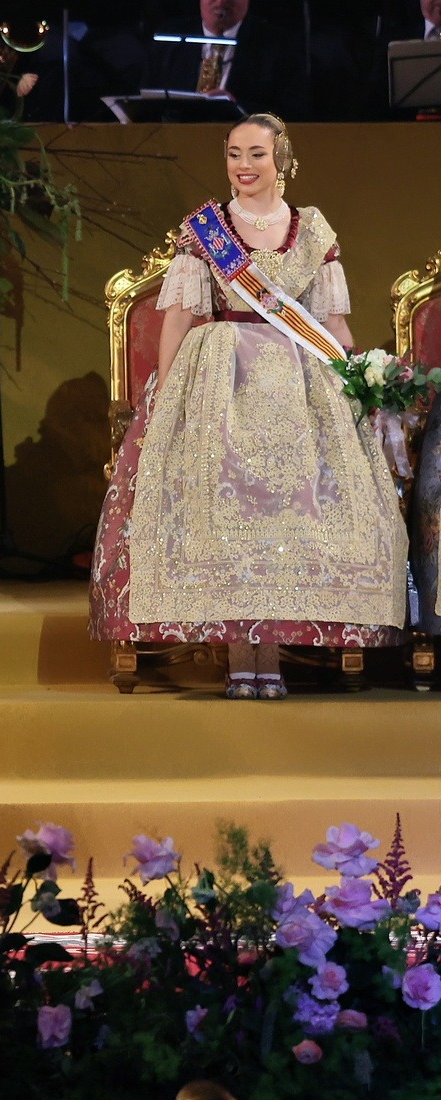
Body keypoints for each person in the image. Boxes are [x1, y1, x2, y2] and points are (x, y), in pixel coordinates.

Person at [89, 114, 406, 699]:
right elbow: (178, 318)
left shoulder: (313, 231)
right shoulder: (206, 232)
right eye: (234, 153)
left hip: (300, 384)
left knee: (291, 519)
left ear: (281, 159)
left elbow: (333, 325)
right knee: (226, 517)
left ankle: (274, 659)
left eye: (256, 153)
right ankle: (240, 657)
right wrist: (166, 396)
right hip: (220, 379)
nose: (243, 165)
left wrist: (359, 379)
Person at [150, 0, 309, 120]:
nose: (221, 3)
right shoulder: (169, 40)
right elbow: (147, 102)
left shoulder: (279, 46)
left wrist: (237, 107)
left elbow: (295, 114)